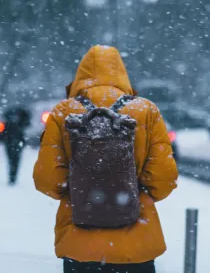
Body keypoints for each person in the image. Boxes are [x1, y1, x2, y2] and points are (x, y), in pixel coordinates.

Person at [33, 45, 178, 273]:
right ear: (121, 73)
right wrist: (130, 194)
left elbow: (47, 179)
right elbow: (164, 178)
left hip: (79, 245)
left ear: (81, 75)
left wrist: (81, 192)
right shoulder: (146, 110)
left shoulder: (63, 112)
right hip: (137, 246)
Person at [2, 105, 30, 185]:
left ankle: (12, 177)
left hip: (10, 142)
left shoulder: (8, 121)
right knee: (15, 160)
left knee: (11, 160)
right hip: (16, 142)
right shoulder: (21, 121)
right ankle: (13, 177)